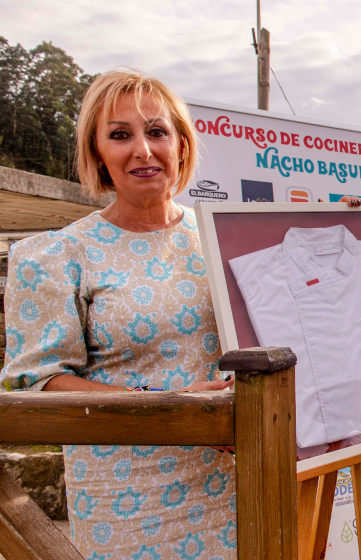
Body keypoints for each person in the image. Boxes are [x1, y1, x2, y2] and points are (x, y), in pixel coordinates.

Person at [1, 68, 237, 558]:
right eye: (120, 135)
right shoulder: (60, 255)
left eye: (156, 131)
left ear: (182, 146)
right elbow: (35, 383)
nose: (143, 150)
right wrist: (170, 402)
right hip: (127, 499)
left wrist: (341, 220)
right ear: (97, 154)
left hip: (233, 484)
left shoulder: (220, 238)